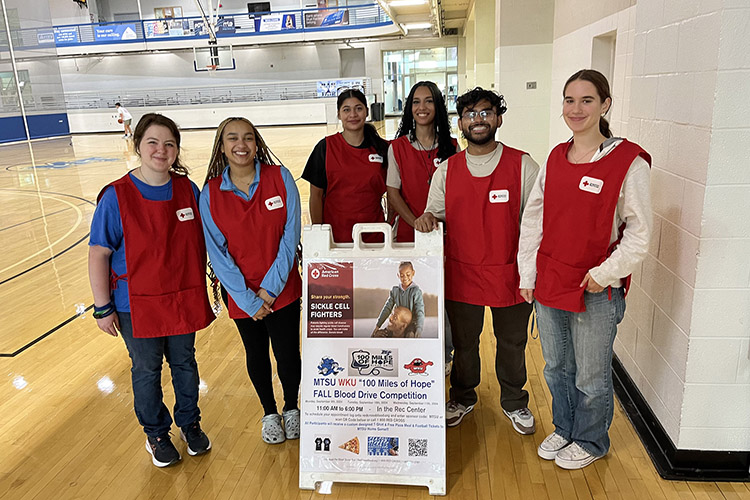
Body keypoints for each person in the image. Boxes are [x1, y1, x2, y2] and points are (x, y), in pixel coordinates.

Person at [518, 69, 652, 470]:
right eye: (569, 101)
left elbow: (640, 234)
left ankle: (591, 440)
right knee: (557, 366)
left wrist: (604, 273)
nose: (576, 109)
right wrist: (527, 274)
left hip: (596, 289)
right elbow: (533, 220)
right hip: (551, 282)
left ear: (605, 104)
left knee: (591, 376)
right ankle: (565, 427)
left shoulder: (628, 162)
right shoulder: (556, 158)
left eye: (587, 100)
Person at [88, 113, 214, 468]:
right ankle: (156, 432)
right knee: (146, 371)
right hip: (134, 304)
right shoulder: (116, 196)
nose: (162, 150)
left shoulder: (188, 189)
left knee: (185, 364)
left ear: (177, 150)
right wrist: (102, 307)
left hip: (183, 296)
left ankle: (189, 423)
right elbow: (99, 252)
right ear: (138, 146)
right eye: (153, 143)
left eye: (169, 144)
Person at [414, 87, 540, 434]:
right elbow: (432, 216)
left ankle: (514, 401)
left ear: (498, 118)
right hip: (462, 273)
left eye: (485, 113)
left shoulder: (523, 166)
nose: (478, 120)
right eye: (470, 115)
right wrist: (426, 219)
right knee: (465, 345)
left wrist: (532, 273)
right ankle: (464, 396)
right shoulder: (447, 171)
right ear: (460, 124)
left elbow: (537, 223)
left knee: (512, 343)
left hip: (510, 274)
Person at [200, 117, 302, 445]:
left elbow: (290, 236)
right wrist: (248, 299)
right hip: (242, 296)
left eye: (247, 138)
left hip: (282, 290)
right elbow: (217, 253)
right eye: (232, 138)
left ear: (256, 143)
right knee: (255, 355)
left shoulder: (280, 178)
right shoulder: (211, 194)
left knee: (287, 354)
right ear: (222, 146)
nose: (240, 144)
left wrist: (269, 290)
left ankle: (291, 407)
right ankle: (269, 411)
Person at [386, 81, 459, 376]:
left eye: (428, 101)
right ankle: (413, 352)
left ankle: (444, 355)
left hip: (444, 238)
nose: (422, 107)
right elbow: (393, 192)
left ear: (438, 106)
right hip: (408, 237)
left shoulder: (452, 147)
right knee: (419, 298)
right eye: (416, 102)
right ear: (409, 108)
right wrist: (414, 220)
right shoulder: (397, 148)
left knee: (443, 299)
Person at [302, 88, 389, 243]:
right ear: (339, 114)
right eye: (346, 110)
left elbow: (394, 191)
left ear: (367, 112)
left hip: (375, 234)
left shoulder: (383, 149)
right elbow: (315, 196)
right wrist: (319, 233)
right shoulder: (325, 148)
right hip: (336, 236)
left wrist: (390, 225)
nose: (353, 115)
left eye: (358, 109)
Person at [372, 261, 424, 338]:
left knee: (410, 335)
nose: (405, 278)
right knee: (381, 334)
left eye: (408, 274)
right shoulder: (395, 291)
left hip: (411, 325)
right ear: (398, 276)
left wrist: (419, 329)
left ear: (413, 273)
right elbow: (387, 308)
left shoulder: (416, 292)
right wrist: (378, 325)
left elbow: (420, 311)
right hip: (396, 322)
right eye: (402, 275)